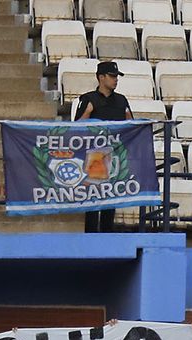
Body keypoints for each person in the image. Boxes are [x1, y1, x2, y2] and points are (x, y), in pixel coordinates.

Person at [76, 60, 133, 233]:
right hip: (94, 159)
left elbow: (132, 125)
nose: (116, 80)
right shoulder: (88, 99)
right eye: (112, 76)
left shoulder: (122, 100)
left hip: (114, 158)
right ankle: (91, 239)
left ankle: (107, 237)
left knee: (110, 202)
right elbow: (75, 128)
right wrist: (87, 111)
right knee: (92, 203)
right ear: (101, 77)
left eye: (117, 77)